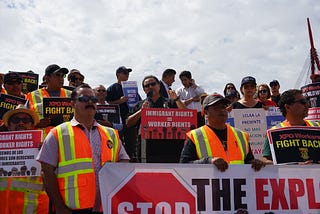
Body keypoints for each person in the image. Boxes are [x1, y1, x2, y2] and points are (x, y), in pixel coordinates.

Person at [37, 84, 129, 213]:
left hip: (105, 206)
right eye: (84, 99)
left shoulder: (111, 133)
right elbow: (46, 172)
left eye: (94, 99)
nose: (90, 102)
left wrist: (113, 168)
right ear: (72, 104)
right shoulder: (57, 133)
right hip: (72, 208)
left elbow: (124, 162)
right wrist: (59, 206)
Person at [180, 93, 265, 172]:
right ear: (206, 112)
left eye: (224, 107)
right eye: (216, 108)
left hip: (237, 186)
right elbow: (183, 166)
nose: (222, 110)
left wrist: (255, 163)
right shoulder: (195, 136)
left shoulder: (241, 135)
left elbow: (248, 161)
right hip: (209, 186)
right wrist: (209, 161)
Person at [0, 104, 49, 213]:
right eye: (16, 120)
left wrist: (46, 156)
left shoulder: (45, 145)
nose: (21, 123)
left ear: (33, 125)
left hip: (32, 208)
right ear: (8, 126)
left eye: (26, 120)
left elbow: (54, 179)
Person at [126, 75, 185, 163]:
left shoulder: (170, 102)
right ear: (144, 90)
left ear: (159, 86)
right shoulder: (140, 105)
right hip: (147, 151)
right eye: (147, 86)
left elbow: (186, 115)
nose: (150, 87)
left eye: (153, 84)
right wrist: (141, 111)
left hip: (171, 151)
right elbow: (128, 123)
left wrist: (176, 99)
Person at [262, 89, 320, 164]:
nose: (307, 105)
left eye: (306, 101)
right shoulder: (274, 132)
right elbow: (265, 160)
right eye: (303, 102)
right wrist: (293, 165)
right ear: (288, 107)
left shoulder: (317, 127)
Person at [26, 64, 71, 134]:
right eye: (57, 75)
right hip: (42, 141)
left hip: (66, 139)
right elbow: (24, 120)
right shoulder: (32, 96)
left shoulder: (71, 95)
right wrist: (37, 124)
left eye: (63, 76)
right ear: (47, 77)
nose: (61, 78)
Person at [106, 66, 139, 161]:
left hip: (130, 121)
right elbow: (106, 104)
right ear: (118, 75)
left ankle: (130, 163)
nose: (127, 75)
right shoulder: (112, 88)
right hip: (117, 121)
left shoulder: (132, 88)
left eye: (128, 73)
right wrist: (119, 101)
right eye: (124, 73)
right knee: (116, 144)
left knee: (131, 145)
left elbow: (138, 101)